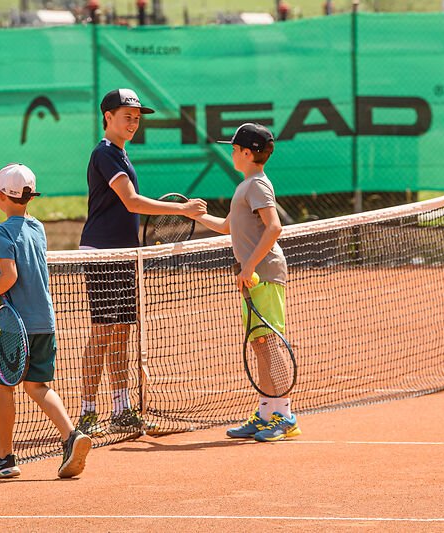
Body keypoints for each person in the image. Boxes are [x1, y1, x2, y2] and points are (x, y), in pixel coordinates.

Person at [76, 88, 207, 436]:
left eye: (136, 118)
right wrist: (181, 209)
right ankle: (87, 413)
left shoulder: (121, 154)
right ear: (108, 117)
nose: (133, 122)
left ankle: (121, 409)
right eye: (127, 117)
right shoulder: (104, 154)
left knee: (122, 331)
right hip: (103, 253)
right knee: (102, 332)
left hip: (126, 253)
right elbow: (131, 202)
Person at [0, 163, 91, 478]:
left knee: (4, 387)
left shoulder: (1, 233)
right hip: (44, 322)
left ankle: (5, 457)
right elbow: (17, 237)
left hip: (15, 327)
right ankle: (71, 435)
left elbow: (8, 275)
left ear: (1, 196)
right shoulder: (37, 227)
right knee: (37, 385)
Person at [191, 123, 301, 442]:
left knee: (269, 343)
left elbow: (274, 227)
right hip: (253, 276)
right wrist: (193, 215)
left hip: (263, 273)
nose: (232, 153)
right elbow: (227, 226)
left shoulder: (257, 186)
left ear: (248, 154)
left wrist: (249, 265)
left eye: (235, 148)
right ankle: (266, 413)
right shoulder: (246, 186)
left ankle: (285, 416)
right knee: (260, 343)